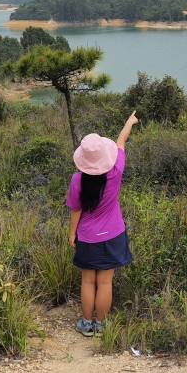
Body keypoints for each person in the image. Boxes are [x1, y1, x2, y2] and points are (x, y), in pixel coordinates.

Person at [66, 110, 138, 337]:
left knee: (88, 281)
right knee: (105, 283)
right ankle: (102, 325)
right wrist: (130, 121)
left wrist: (72, 234)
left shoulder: (78, 179)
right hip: (113, 234)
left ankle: (87, 324)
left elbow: (76, 209)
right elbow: (121, 141)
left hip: (87, 236)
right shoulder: (116, 171)